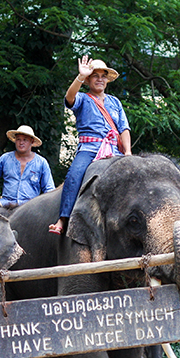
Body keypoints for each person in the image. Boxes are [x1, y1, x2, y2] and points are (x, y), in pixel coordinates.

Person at [48, 56, 131, 235]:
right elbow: (69, 97)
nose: (100, 79)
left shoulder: (115, 102)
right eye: (95, 75)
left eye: (103, 75)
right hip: (89, 149)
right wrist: (79, 76)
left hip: (114, 149)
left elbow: (124, 128)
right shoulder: (83, 99)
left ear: (107, 80)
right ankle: (63, 219)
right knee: (74, 175)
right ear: (88, 80)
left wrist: (128, 152)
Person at [0, 124, 55, 208]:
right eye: (18, 139)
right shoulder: (5, 158)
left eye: (25, 140)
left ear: (32, 142)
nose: (21, 143)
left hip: (29, 207)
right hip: (6, 203)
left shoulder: (41, 162)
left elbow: (49, 189)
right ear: (15, 141)